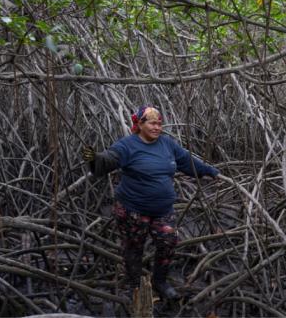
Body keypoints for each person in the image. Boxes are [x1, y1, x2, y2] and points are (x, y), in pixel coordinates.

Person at [82, 106, 219, 300]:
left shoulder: (167, 144)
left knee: (168, 242)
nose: (157, 127)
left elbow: (187, 162)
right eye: (152, 123)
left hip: (162, 210)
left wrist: (210, 171)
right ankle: (135, 287)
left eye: (159, 123)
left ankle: (159, 282)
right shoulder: (127, 145)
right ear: (139, 124)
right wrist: (94, 158)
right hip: (132, 210)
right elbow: (108, 160)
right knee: (133, 249)